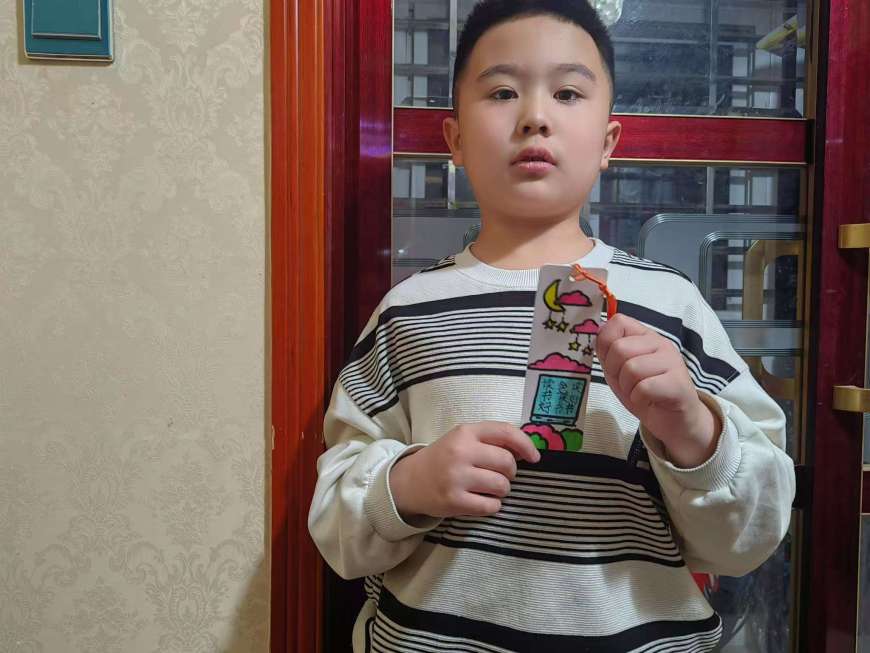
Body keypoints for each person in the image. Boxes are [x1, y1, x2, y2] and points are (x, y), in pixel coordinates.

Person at [308, 0, 796, 650]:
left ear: (608, 143)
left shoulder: (674, 306)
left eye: (567, 93)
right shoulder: (407, 312)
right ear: (455, 140)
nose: (535, 115)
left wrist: (694, 431)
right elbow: (335, 522)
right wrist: (410, 483)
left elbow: (747, 539)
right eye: (502, 91)